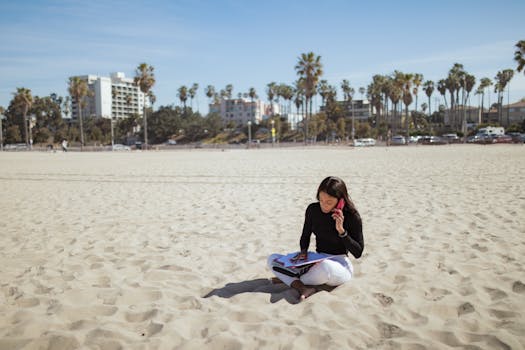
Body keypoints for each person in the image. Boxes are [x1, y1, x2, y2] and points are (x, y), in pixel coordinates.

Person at [267, 176, 364, 301]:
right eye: (321, 199)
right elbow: (305, 235)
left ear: (340, 200)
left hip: (339, 265)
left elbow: (358, 252)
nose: (323, 205)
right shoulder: (313, 209)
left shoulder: (352, 216)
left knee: (324, 268)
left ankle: (289, 279)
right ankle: (302, 286)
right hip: (315, 260)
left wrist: (342, 231)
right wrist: (303, 252)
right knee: (272, 259)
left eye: (329, 202)